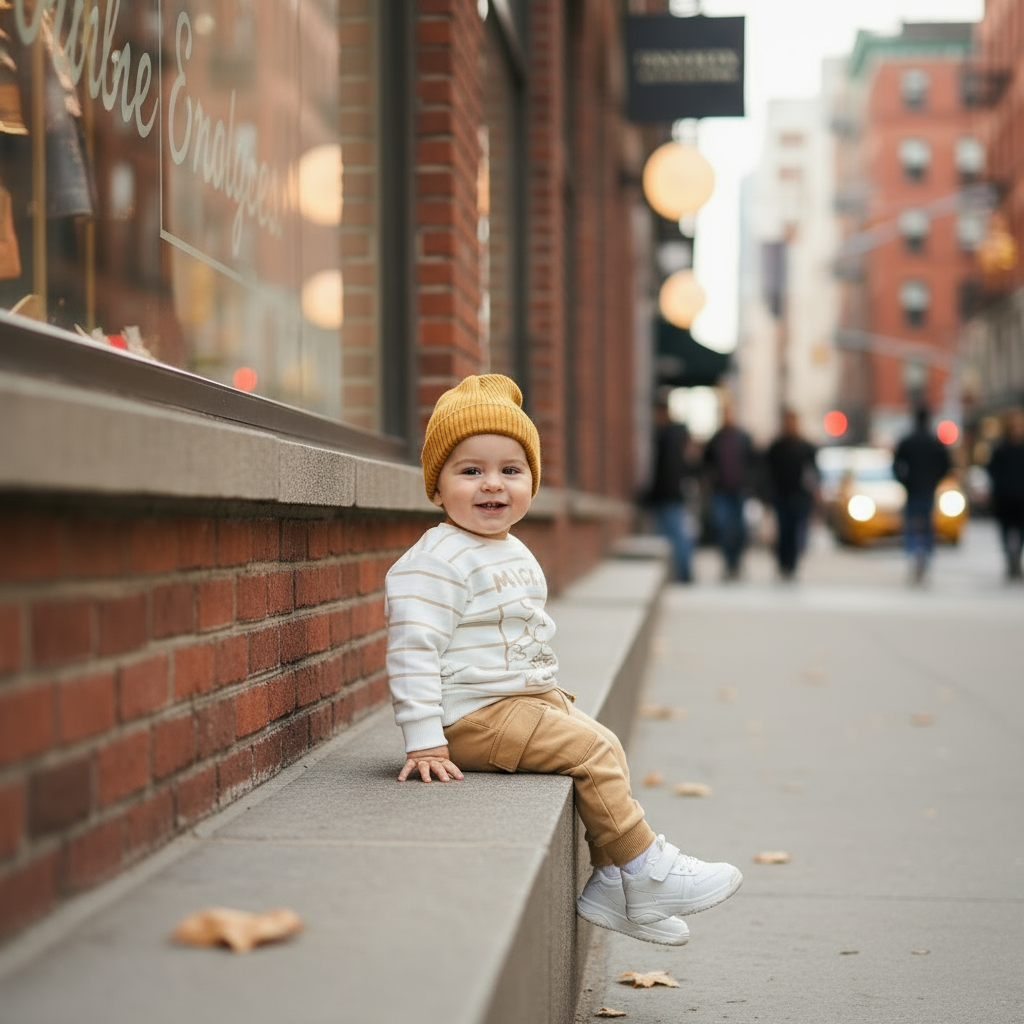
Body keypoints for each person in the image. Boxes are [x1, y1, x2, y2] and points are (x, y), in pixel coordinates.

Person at [385, 374, 742, 947]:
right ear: (436, 486)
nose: (491, 486)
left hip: (514, 702)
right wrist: (425, 737)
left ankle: (611, 882)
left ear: (532, 481)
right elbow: (412, 650)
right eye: (470, 471)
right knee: (592, 749)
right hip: (469, 718)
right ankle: (644, 867)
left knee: (602, 738)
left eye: (511, 470)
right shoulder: (437, 559)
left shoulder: (510, 548)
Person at [893, 407, 952, 583]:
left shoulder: (907, 441)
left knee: (911, 525)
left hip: (912, 489)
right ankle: (925, 555)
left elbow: (896, 465)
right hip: (927, 489)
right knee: (926, 525)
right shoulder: (934, 442)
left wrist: (905, 481)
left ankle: (914, 554)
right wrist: (935, 480)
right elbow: (946, 465)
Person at [644, 396, 698, 582]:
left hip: (670, 496)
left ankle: (683, 573)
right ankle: (680, 573)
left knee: (674, 536)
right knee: (675, 536)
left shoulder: (670, 437)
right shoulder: (672, 435)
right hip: (670, 495)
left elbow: (668, 471)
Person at [702, 401, 757, 580]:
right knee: (723, 526)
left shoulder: (743, 438)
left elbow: (753, 464)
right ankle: (728, 562)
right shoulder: (715, 439)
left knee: (740, 529)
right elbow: (706, 464)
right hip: (721, 491)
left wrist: (751, 485)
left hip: (739, 491)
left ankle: (736, 562)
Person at [765, 409, 818, 580]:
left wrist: (814, 492)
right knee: (783, 532)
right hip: (781, 496)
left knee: (796, 532)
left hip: (799, 497)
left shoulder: (806, 447)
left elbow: (813, 473)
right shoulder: (776, 447)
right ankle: (783, 563)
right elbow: (767, 473)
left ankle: (792, 565)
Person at [987, 406, 1024, 581]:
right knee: (1005, 530)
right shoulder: (1000, 448)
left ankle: (1016, 559)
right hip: (1004, 497)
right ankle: (1010, 560)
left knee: (1020, 531)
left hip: (1020, 498)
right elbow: (992, 471)